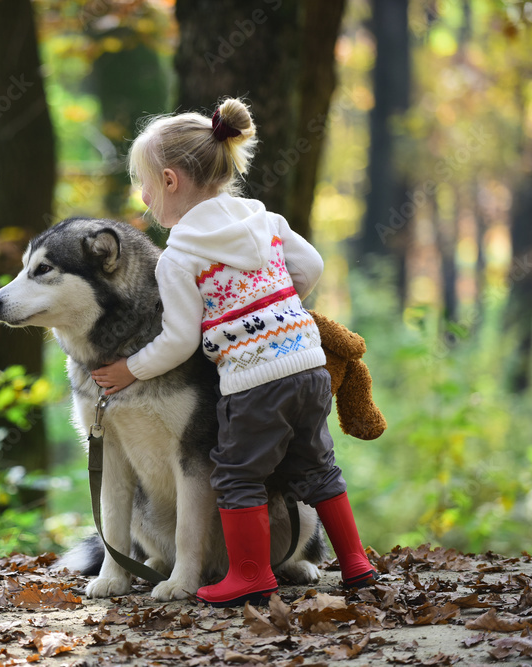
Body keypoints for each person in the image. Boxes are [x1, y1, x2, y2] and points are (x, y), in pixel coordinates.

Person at [91, 99, 375, 607]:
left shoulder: (179, 256)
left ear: (171, 181)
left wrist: (130, 369)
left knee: (237, 473)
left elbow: (179, 341)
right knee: (318, 465)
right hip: (307, 366)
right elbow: (310, 264)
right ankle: (354, 561)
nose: (143, 195)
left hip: (254, 381)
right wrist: (279, 307)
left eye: (145, 183)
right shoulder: (263, 218)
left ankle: (249, 574)